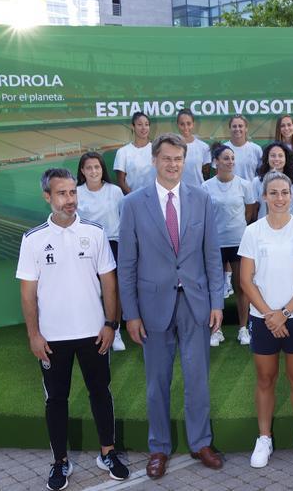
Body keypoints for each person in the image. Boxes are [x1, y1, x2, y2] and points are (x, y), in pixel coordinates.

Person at [118, 133, 225, 478]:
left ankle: (200, 442)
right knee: (156, 383)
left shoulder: (202, 199)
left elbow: (212, 255)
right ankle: (159, 448)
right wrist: (130, 314)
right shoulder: (133, 204)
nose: (173, 164)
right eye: (167, 158)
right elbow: (127, 265)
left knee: (198, 380)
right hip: (152, 309)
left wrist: (217, 302)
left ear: (185, 161)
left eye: (179, 159)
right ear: (154, 160)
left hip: (195, 304)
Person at [17, 168, 128, 490]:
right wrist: (33, 335)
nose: (70, 200)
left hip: (94, 334)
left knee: (100, 394)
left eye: (73, 193)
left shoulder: (95, 232)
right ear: (47, 197)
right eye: (62, 194)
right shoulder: (33, 239)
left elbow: (110, 282)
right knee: (56, 400)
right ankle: (60, 462)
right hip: (52, 339)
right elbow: (27, 293)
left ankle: (108, 453)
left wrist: (111, 324)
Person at [238, 171, 293, 468]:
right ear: (264, 196)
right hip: (263, 319)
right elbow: (246, 281)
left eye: (284, 192)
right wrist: (269, 315)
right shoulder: (253, 232)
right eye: (273, 193)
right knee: (265, 379)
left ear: (292, 195)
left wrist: (283, 313)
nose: (279, 198)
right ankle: (264, 438)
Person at [201, 143, 256, 347]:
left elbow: (249, 212)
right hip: (214, 244)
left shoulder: (244, 184)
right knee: (215, 287)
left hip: (238, 242)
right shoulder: (206, 187)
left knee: (242, 286)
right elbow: (203, 216)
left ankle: (243, 328)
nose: (230, 162)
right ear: (216, 162)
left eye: (232, 158)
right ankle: (216, 330)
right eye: (225, 158)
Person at [76, 151, 127, 351]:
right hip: (85, 246)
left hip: (113, 243)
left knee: (113, 290)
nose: (93, 171)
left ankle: (115, 331)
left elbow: (125, 219)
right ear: (82, 171)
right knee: (89, 290)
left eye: (97, 167)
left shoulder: (114, 191)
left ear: (102, 169)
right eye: (89, 167)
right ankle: (91, 331)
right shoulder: (77, 192)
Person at [251, 142, 293, 220]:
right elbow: (254, 209)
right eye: (273, 156)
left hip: (289, 227)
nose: (277, 159)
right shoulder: (257, 182)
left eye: (280, 156)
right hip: (264, 227)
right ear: (267, 158)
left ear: (286, 158)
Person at [114, 112, 154, 194]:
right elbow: (121, 181)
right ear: (133, 127)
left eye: (146, 124)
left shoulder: (156, 149)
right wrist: (134, 198)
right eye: (139, 124)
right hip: (132, 199)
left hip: (154, 197)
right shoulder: (123, 152)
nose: (144, 128)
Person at [218, 115, 262, 182]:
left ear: (246, 128)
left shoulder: (256, 149)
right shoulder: (222, 149)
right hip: (228, 191)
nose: (237, 129)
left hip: (250, 191)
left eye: (240, 126)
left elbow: (261, 174)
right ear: (229, 128)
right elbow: (217, 174)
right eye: (234, 126)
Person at [175, 108, 208, 186]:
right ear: (177, 125)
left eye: (188, 123)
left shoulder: (203, 147)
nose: (186, 127)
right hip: (178, 191)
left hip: (199, 190)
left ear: (193, 124)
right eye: (182, 124)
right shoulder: (172, 147)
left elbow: (206, 173)